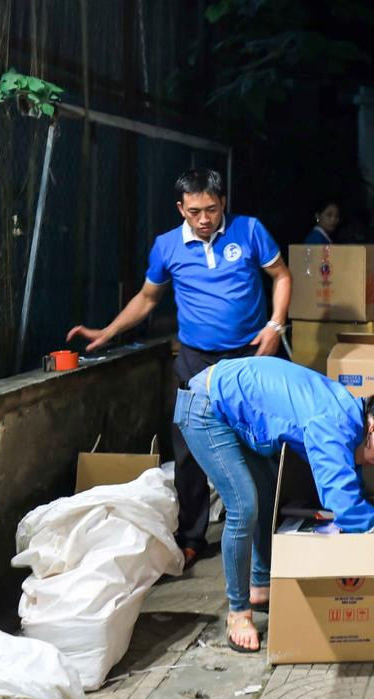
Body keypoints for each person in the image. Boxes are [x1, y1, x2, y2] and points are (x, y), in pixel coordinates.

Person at [67, 168, 292, 568]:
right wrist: (109, 330)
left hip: (249, 358)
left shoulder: (250, 230)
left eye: (210, 208)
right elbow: (148, 298)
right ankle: (192, 538)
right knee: (188, 450)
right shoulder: (167, 246)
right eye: (193, 211)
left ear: (223, 202)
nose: (203, 218)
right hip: (195, 359)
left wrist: (275, 325)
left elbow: (281, 275)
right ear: (180, 209)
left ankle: (267, 537)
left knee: (259, 444)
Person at [174, 356, 374, 652]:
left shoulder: (349, 414)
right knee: (244, 506)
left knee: (268, 494)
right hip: (205, 406)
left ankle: (260, 586)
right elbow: (341, 499)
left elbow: (347, 476)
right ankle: (238, 613)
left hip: (237, 411)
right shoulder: (334, 422)